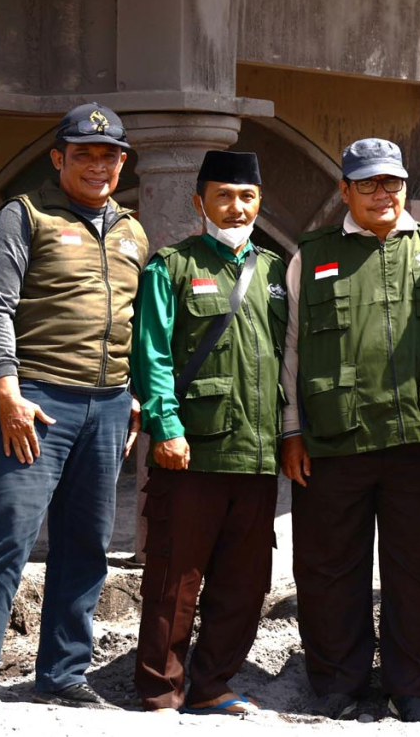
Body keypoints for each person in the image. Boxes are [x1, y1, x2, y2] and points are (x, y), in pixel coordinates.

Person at [280, 138, 420, 722]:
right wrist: (291, 430)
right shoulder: (310, 255)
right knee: (329, 569)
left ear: (405, 186)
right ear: (345, 190)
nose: (381, 194)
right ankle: (338, 682)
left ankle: (414, 685)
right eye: (367, 184)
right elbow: (290, 349)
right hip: (335, 441)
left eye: (391, 182)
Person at [0, 103, 147, 713]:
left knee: (87, 544)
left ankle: (64, 672)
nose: (98, 165)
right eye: (84, 154)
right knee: (9, 536)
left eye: (110, 156)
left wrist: (133, 396)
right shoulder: (24, 216)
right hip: (36, 401)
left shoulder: (132, 231)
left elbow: (134, 321)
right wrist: (7, 394)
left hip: (108, 405)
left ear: (122, 162)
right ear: (58, 158)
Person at [131, 150, 286, 714]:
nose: (236, 207)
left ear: (259, 202)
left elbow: (291, 358)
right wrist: (166, 426)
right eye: (223, 196)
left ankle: (213, 684)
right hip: (191, 450)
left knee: (245, 583)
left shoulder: (276, 272)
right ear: (200, 202)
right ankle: (160, 689)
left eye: (246, 197)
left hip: (258, 454)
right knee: (174, 578)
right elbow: (151, 354)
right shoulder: (171, 266)